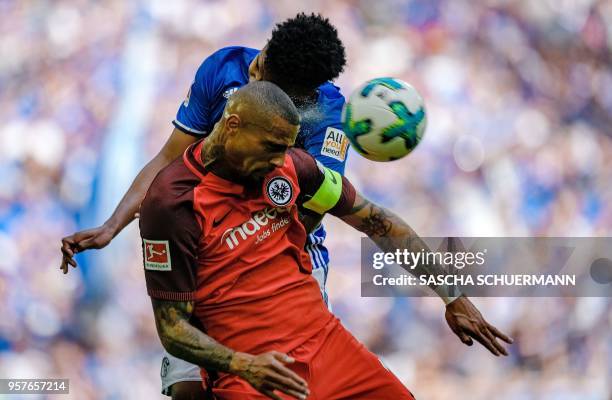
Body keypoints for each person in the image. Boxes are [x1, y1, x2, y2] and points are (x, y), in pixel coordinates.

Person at [139, 81, 512, 399]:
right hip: (255, 375)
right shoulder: (172, 204)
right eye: (270, 146)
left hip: (327, 345)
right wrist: (243, 365)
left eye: (285, 147)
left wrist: (452, 296)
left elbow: (378, 222)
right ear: (232, 126)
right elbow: (172, 329)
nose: (277, 160)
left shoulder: (293, 167)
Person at [60, 13, 349, 398]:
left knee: (282, 385)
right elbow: (168, 160)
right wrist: (113, 224)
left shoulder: (327, 112)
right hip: (206, 252)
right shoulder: (223, 68)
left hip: (282, 260)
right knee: (187, 389)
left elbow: (311, 212)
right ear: (261, 62)